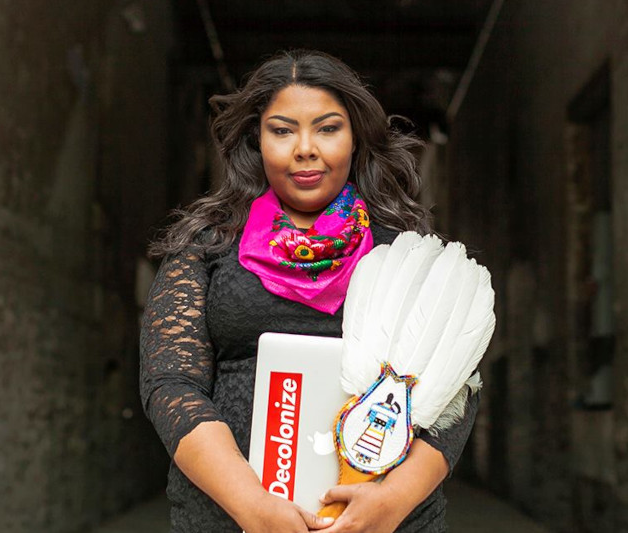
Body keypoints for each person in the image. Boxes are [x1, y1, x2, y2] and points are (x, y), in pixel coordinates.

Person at [140, 50, 479, 533]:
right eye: (282, 130)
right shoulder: (207, 246)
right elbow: (171, 383)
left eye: (327, 128)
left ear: (355, 137)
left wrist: (390, 503)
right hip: (228, 520)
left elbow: (456, 389)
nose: (305, 148)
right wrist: (253, 506)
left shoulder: (404, 252)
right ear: (256, 140)